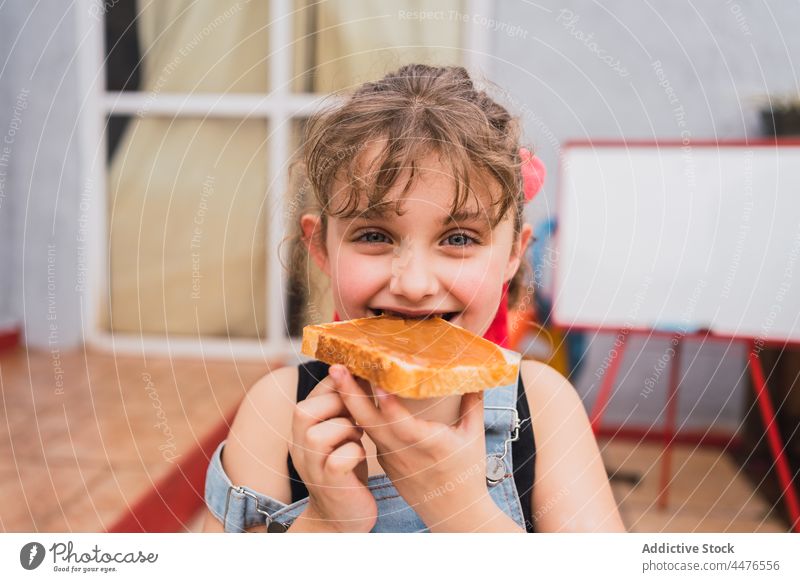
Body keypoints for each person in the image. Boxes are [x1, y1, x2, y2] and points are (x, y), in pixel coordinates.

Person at [202, 63, 625, 533]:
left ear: (512, 254)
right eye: (374, 235)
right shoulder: (277, 411)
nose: (414, 283)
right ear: (321, 246)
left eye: (460, 238)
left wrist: (460, 509)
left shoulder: (543, 407)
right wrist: (324, 523)